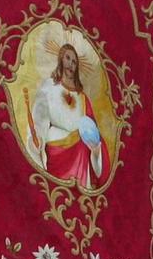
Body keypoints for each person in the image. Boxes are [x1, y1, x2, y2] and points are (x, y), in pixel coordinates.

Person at [27, 43, 109, 187]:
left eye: (74, 62)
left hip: (81, 155)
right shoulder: (49, 87)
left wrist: (96, 151)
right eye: (68, 58)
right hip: (57, 152)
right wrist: (37, 138)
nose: (71, 64)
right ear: (60, 59)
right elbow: (39, 118)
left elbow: (93, 133)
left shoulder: (82, 98)